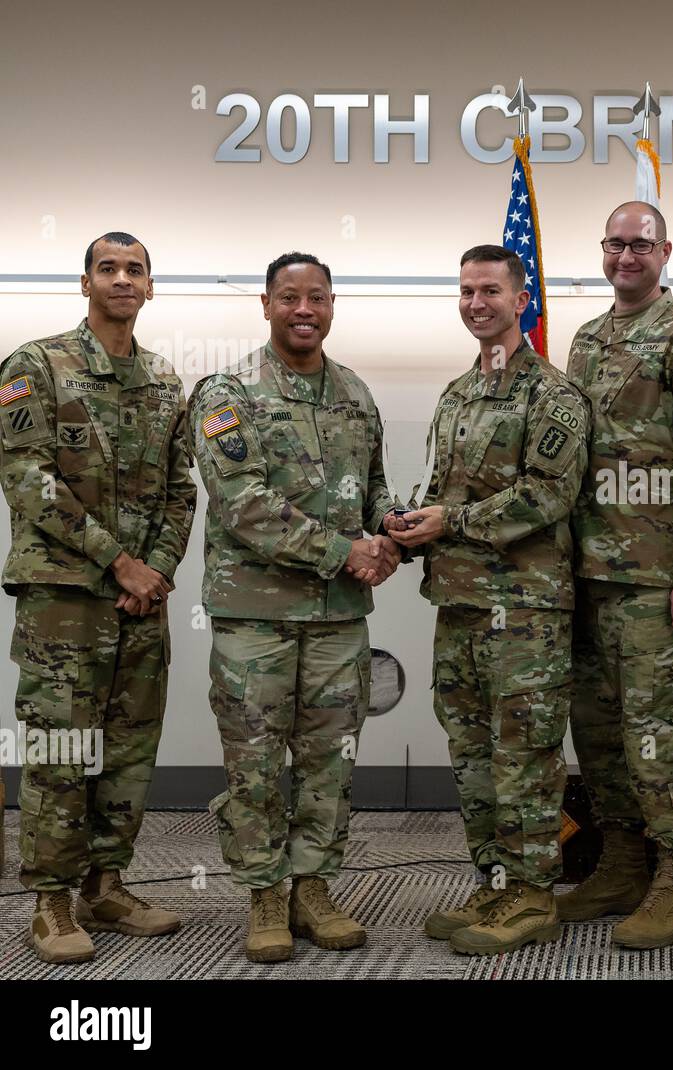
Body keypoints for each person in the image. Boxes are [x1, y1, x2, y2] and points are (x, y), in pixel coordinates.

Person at [191, 251, 400, 963]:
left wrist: (396, 531)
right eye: (290, 298)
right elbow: (243, 505)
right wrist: (348, 552)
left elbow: (373, 490)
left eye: (317, 297)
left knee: (330, 763)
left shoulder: (356, 394)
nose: (304, 310)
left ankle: (314, 887)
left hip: (339, 619)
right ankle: (263, 895)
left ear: (333, 304)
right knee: (254, 764)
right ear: (266, 304)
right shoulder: (228, 392)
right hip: (256, 618)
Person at [385, 245, 589, 955]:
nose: (478, 302)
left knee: (523, 756)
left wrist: (453, 522)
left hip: (525, 614)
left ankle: (533, 895)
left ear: (521, 297)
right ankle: (496, 882)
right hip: (460, 606)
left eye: (491, 290)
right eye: (467, 290)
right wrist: (407, 527)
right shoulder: (456, 394)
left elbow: (548, 495)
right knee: (472, 755)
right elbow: (447, 492)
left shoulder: (553, 394)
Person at [0, 232, 195, 963]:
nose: (122, 279)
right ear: (85, 283)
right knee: (59, 746)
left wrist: (158, 570)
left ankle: (106, 886)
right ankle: (50, 903)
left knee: (128, 748)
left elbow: (182, 492)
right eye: (107, 268)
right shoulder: (36, 364)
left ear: (151, 287)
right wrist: (119, 561)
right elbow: (28, 477)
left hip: (141, 601)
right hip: (66, 599)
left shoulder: (167, 382)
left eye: (134, 269)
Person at [558, 202, 673, 949]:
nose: (626, 256)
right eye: (615, 243)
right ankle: (622, 863)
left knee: (660, 735)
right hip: (588, 575)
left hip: (656, 578)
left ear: (666, 251)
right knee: (599, 733)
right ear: (602, 250)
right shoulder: (585, 338)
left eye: (641, 245)